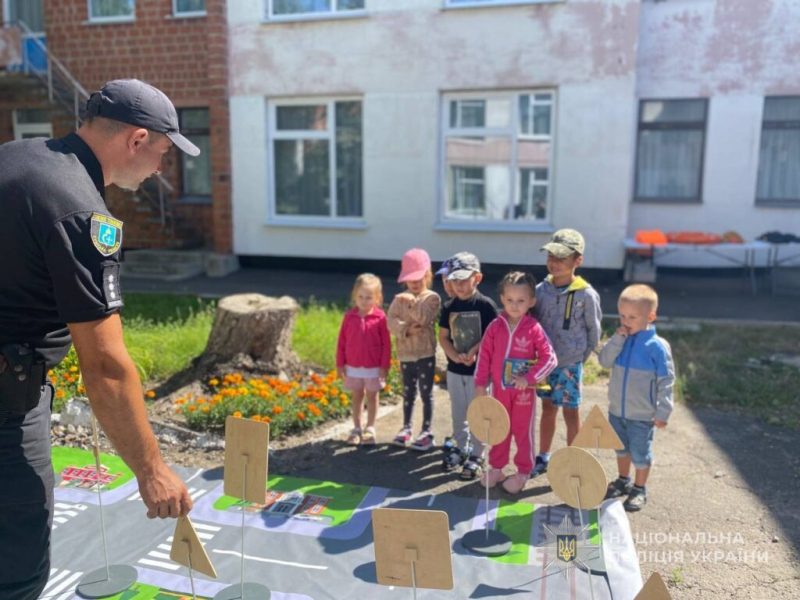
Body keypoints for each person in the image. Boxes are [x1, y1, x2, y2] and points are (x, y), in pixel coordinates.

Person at [0, 78, 197, 599]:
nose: (161, 168)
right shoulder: (81, 212)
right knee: (15, 571)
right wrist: (152, 471)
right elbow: (106, 366)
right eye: (162, 152)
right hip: (6, 402)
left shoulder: (17, 158)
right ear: (136, 140)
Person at [474, 272, 556, 494]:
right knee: (499, 430)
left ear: (531, 302)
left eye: (521, 301)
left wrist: (529, 378)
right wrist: (481, 386)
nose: (515, 305)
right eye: (510, 300)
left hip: (523, 395)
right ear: (501, 298)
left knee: (522, 432)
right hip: (498, 392)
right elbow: (484, 357)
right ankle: (497, 468)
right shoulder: (494, 327)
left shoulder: (533, 329)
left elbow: (550, 358)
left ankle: (523, 471)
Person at [531, 229, 602, 478]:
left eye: (562, 257)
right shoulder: (540, 290)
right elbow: (531, 321)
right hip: (544, 366)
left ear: (577, 261)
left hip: (570, 365)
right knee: (547, 408)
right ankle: (543, 456)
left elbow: (594, 330)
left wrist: (579, 359)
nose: (554, 262)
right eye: (551, 255)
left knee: (572, 412)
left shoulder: (586, 294)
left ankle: (574, 458)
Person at [598, 284, 674, 512]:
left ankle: (639, 488)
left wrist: (663, 412)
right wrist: (617, 340)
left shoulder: (657, 347)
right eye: (622, 315)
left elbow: (666, 381)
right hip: (617, 411)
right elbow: (604, 361)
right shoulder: (621, 339)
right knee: (621, 449)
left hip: (642, 415)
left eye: (632, 317)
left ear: (650, 317)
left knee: (641, 453)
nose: (626, 321)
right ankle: (623, 480)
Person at [438, 252, 498, 480]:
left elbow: (492, 337)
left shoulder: (486, 306)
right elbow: (443, 336)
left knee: (479, 413)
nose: (459, 285)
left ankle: (478, 454)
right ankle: (461, 448)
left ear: (477, 278)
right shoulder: (449, 306)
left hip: (479, 372)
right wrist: (453, 355)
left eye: (464, 279)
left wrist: (473, 352)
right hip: (455, 370)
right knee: (458, 412)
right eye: (454, 280)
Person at [387, 249, 441, 451]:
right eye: (411, 279)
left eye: (419, 277)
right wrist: (406, 329)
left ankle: (427, 431)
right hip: (405, 353)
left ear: (428, 274)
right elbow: (390, 320)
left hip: (425, 353)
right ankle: (406, 427)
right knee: (408, 392)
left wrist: (412, 304)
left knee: (426, 393)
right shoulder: (399, 298)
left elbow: (425, 319)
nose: (415, 283)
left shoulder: (432, 297)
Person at [336, 273, 391, 446]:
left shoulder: (380, 318)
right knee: (357, 396)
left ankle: (370, 427)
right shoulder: (349, 317)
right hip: (353, 367)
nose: (364, 300)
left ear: (377, 298)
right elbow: (341, 342)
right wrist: (340, 364)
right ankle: (356, 428)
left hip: (373, 367)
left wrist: (384, 366)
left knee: (372, 396)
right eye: (360, 296)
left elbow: (386, 345)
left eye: (369, 297)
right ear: (354, 296)